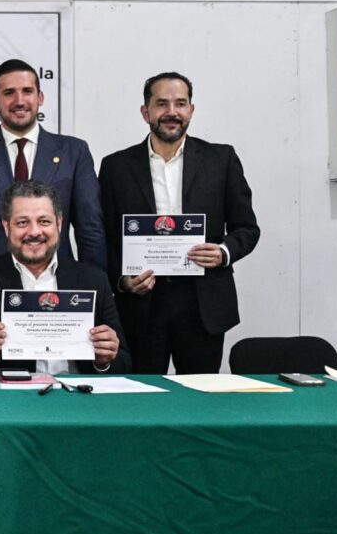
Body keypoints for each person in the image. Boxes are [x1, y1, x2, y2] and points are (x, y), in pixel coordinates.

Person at [99, 72, 259, 373]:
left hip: (203, 304)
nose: (171, 112)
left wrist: (223, 252)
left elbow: (247, 229)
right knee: (141, 400)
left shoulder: (220, 159)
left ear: (191, 110)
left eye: (180, 104)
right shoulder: (115, 166)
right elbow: (104, 237)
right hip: (142, 303)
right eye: (161, 104)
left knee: (199, 401)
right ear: (145, 112)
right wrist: (122, 281)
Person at [0, 59, 106, 295]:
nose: (19, 101)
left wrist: (98, 290)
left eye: (27, 91)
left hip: (56, 285)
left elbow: (89, 227)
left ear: (40, 97)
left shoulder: (73, 152)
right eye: (9, 93)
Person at [0, 180, 129, 374]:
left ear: (59, 223)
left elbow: (124, 362)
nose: (34, 232)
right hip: (9, 400)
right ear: (7, 227)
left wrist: (104, 360)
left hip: (77, 399)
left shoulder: (94, 280)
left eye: (44, 221)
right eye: (22, 222)